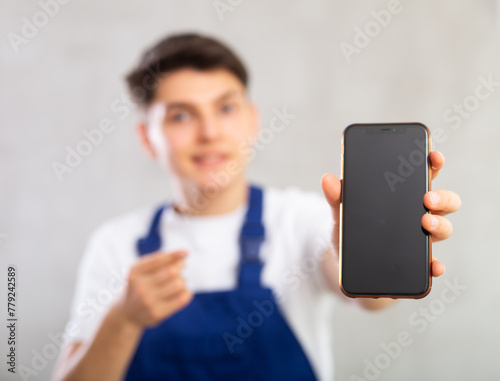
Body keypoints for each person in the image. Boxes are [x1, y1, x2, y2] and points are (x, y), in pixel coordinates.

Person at [52, 33, 461, 381]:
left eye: (226, 108)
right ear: (146, 137)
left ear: (252, 120)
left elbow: (370, 298)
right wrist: (122, 321)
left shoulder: (300, 220)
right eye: (180, 116)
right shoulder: (115, 244)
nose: (209, 132)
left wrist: (374, 254)